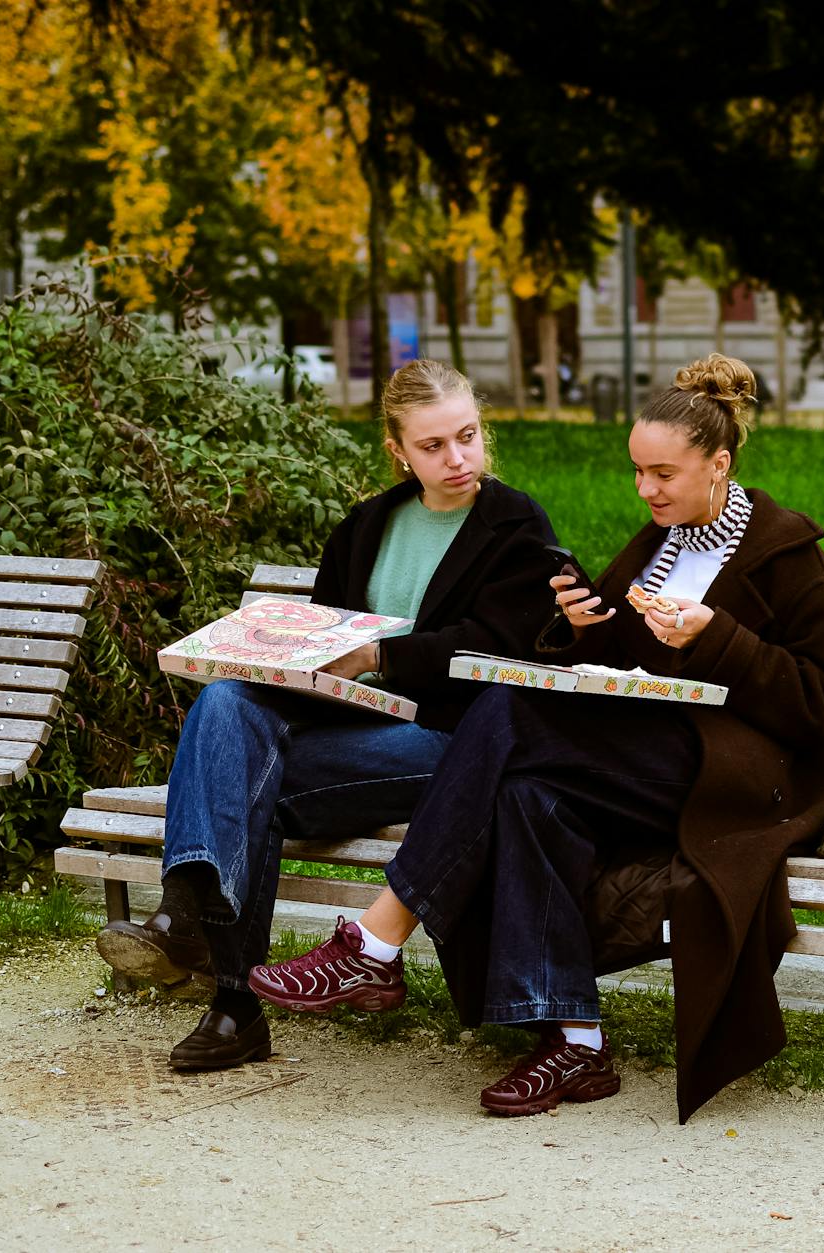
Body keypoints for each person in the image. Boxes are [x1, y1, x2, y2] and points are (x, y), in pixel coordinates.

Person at [248, 353, 824, 1122]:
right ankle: (576, 1040)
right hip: (641, 756)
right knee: (528, 795)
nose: (645, 490)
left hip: (732, 776)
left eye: (663, 473)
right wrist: (583, 629)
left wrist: (720, 637)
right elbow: (620, 664)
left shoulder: (786, 554)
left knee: (504, 712)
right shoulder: (661, 543)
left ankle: (377, 941)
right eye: (637, 471)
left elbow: (816, 705)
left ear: (719, 464)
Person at [95, 359, 558, 1073]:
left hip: (452, 744)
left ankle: (214, 972)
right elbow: (326, 638)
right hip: (350, 733)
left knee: (245, 781)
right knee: (225, 701)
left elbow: (500, 646)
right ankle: (207, 957)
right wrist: (280, 660)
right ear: (398, 450)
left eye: (467, 436)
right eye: (433, 445)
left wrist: (380, 655)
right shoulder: (367, 526)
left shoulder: (515, 525)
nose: (457, 458)